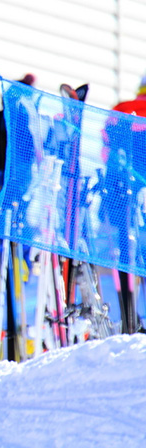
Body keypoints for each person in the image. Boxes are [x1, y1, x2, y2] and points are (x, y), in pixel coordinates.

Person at [101, 74, 146, 334]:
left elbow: (106, 149)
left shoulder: (120, 109)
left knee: (125, 254)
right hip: (137, 193)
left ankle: (130, 317)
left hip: (120, 193)